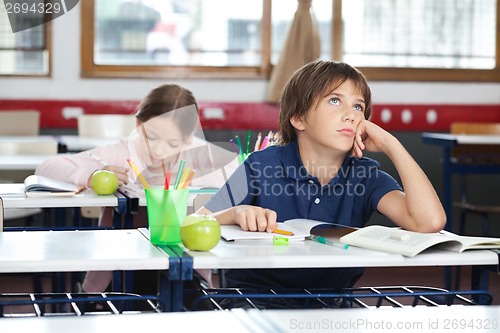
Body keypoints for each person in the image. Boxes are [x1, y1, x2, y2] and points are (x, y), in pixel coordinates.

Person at [196, 60, 446, 308]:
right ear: (298, 118)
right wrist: (235, 213)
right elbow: (196, 222)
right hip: (254, 302)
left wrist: (391, 144)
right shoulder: (260, 165)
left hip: (331, 306)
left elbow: (429, 222)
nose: (351, 115)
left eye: (358, 106)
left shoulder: (366, 176)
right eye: (335, 100)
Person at [36, 83, 237, 294]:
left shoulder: (203, 156)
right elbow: (45, 168)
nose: (158, 150)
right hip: (120, 271)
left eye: (173, 143)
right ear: (138, 124)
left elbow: (244, 179)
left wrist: (191, 179)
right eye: (151, 137)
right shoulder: (124, 153)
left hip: (185, 271)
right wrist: (93, 175)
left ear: (188, 136)